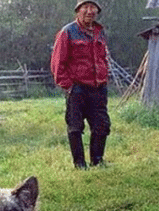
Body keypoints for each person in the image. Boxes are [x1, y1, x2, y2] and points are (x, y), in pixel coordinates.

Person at [50, 0, 111, 169]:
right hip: (77, 88)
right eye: (86, 7)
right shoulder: (67, 32)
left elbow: (102, 58)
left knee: (102, 125)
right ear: (78, 10)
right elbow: (57, 63)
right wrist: (68, 85)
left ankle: (97, 160)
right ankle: (79, 163)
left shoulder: (99, 32)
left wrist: (104, 78)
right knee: (75, 127)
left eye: (93, 8)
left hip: (98, 88)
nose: (89, 11)